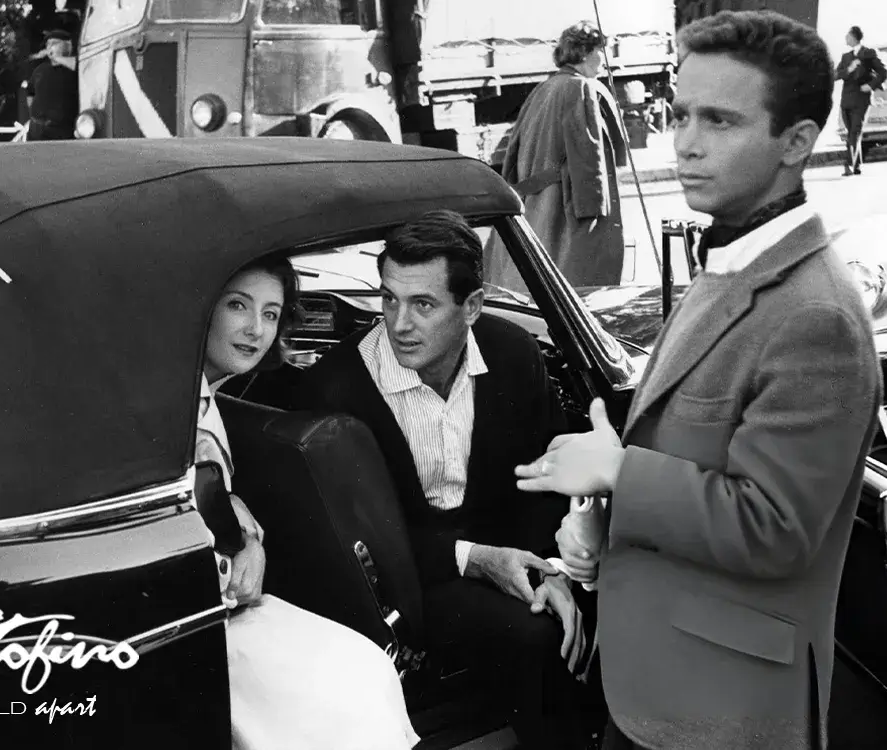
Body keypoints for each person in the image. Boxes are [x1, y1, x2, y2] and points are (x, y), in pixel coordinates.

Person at [514, 10, 883, 750]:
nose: (685, 142)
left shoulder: (818, 316)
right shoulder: (732, 261)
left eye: (719, 120)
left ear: (798, 143)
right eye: (680, 114)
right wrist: (598, 523)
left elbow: (775, 530)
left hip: (723, 711)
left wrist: (619, 471)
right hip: (655, 684)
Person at [298, 210, 597, 749]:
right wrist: (478, 559)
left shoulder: (513, 354)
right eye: (388, 298)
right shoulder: (336, 387)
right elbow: (358, 541)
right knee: (534, 639)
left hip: (512, 555)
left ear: (473, 307)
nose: (398, 323)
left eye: (423, 304)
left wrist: (547, 571)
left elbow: (542, 480)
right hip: (409, 581)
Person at [195, 258, 420, 750]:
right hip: (203, 620)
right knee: (351, 685)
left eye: (271, 314)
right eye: (238, 305)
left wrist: (235, 510)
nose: (256, 329)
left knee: (361, 668)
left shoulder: (202, 395)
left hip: (227, 603)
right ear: (202, 307)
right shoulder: (174, 405)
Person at [487, 21, 628, 288]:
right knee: (574, 279)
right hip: (564, 206)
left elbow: (513, 155)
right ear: (585, 53)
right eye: (601, 50)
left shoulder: (545, 88)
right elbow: (589, 164)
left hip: (538, 200)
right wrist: (593, 225)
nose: (605, 59)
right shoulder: (580, 88)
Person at [835, 25, 887, 176]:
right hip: (846, 101)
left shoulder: (868, 53)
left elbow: (883, 72)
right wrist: (849, 69)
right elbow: (835, 75)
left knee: (855, 132)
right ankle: (857, 165)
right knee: (852, 133)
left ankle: (849, 165)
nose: (845, 38)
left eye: (847, 35)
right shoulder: (846, 57)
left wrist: (871, 86)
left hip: (861, 100)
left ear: (853, 36)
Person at [26, 29, 78, 141]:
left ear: (67, 46)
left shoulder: (74, 68)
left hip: (62, 131)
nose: (49, 47)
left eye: (54, 43)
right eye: (48, 44)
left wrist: (56, 58)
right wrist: (34, 115)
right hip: (37, 130)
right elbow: (30, 93)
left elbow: (78, 64)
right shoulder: (40, 70)